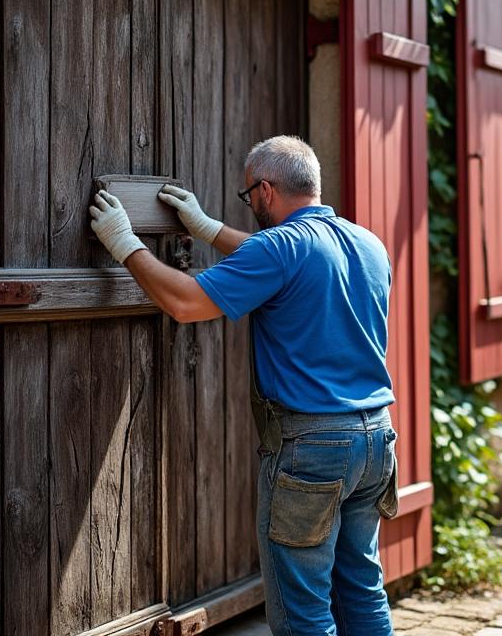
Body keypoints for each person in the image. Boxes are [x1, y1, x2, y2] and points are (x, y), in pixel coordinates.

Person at [88, 136, 398, 636]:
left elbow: (187, 303)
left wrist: (127, 245)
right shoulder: (367, 243)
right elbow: (282, 266)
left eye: (248, 193)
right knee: (361, 587)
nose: (250, 203)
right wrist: (209, 230)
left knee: (304, 607)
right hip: (376, 440)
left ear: (267, 189)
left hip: (313, 448)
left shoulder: (281, 246)